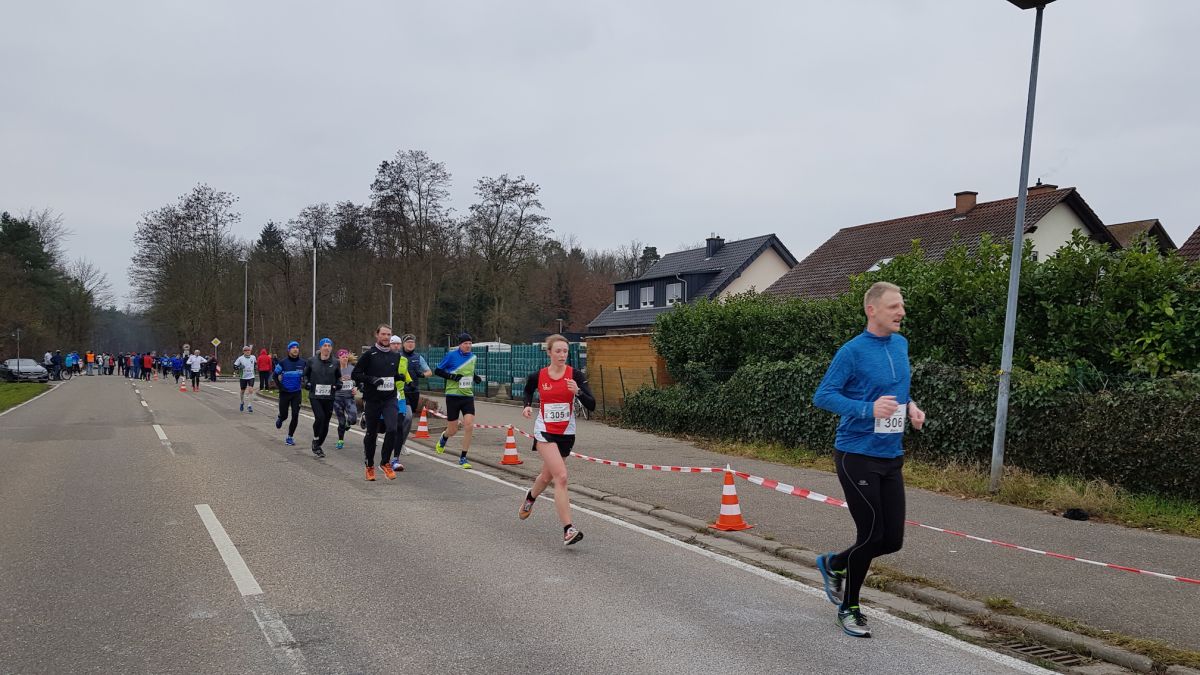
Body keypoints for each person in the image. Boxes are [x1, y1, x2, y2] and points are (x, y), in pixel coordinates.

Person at [812, 281, 927, 639]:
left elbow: (897, 391)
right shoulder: (852, 351)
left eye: (902, 305)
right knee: (871, 534)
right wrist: (867, 409)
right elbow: (823, 396)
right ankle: (850, 608)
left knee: (892, 540)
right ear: (871, 309)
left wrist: (911, 407)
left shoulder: (901, 344)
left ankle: (834, 563)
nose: (901, 312)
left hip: (891, 454)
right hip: (856, 454)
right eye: (894, 306)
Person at [519, 334, 595, 546]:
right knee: (560, 477)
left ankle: (530, 497)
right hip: (545, 431)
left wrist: (578, 392)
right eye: (558, 351)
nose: (562, 355)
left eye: (565, 351)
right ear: (549, 353)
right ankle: (568, 529)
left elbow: (592, 405)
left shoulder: (575, 375)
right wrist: (527, 405)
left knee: (546, 476)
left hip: (566, 433)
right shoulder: (539, 375)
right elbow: (528, 389)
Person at [350, 324, 403, 481]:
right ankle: (370, 465)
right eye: (383, 334)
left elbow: (391, 374)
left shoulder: (395, 356)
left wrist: (398, 377)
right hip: (373, 399)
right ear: (377, 335)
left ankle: (385, 463)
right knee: (371, 434)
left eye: (388, 334)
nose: (386, 337)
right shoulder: (369, 354)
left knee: (392, 429)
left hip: (390, 398)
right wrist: (372, 380)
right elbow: (356, 374)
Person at [433, 332, 482, 470]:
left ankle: (463, 457)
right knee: (452, 430)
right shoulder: (451, 355)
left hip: (467, 396)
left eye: (470, 343)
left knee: (469, 425)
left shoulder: (473, 357)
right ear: (460, 344)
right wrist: (452, 377)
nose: (468, 346)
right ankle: (444, 437)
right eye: (465, 343)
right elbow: (438, 371)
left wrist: (475, 377)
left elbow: (468, 372)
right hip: (453, 396)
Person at [304, 338, 340, 458]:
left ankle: (318, 444)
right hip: (315, 395)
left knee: (326, 422)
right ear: (320, 348)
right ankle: (316, 439)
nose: (327, 348)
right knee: (320, 417)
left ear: (331, 348)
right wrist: (307, 383)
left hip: (329, 396)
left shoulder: (335, 362)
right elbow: (305, 376)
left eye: (329, 346)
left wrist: (338, 385)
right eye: (324, 345)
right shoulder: (312, 361)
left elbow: (338, 378)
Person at [398, 334, 432, 449]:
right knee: (406, 417)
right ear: (403, 344)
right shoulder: (398, 356)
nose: (410, 344)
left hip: (414, 392)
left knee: (408, 419)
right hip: (400, 392)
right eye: (408, 342)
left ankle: (401, 443)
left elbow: (429, 372)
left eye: (412, 342)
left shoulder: (418, 357)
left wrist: (422, 374)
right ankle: (398, 443)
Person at [273, 341, 306, 447]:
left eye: (297, 347)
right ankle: (280, 418)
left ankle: (290, 437)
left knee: (295, 415)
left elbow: (307, 375)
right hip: (285, 393)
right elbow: (274, 375)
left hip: (296, 393)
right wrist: (280, 387)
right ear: (289, 350)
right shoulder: (283, 363)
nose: (295, 349)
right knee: (285, 415)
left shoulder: (303, 363)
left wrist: (307, 382)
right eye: (293, 348)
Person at [333, 349, 358, 450]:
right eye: (343, 357)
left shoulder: (352, 369)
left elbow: (358, 381)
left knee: (353, 419)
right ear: (339, 358)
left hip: (349, 398)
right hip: (337, 399)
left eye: (346, 357)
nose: (345, 359)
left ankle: (349, 423)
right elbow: (330, 381)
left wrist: (356, 388)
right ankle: (340, 440)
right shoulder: (335, 368)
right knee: (341, 422)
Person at [233, 345, 258, 413]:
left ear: (250, 351)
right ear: (243, 351)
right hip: (243, 377)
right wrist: (239, 367)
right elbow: (234, 366)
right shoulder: (240, 358)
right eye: (246, 350)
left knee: (250, 390)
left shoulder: (253, 357)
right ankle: (242, 402)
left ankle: (249, 405)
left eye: (248, 350)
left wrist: (255, 367)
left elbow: (255, 364)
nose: (247, 351)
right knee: (242, 391)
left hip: (251, 376)